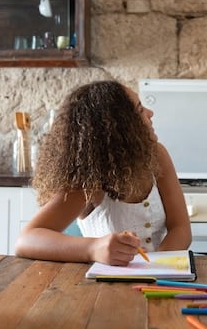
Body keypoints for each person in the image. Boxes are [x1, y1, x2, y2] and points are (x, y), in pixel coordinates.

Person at [15, 80, 192, 266]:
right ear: (120, 126)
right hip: (105, 289)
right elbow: (26, 240)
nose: (150, 113)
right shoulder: (90, 179)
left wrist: (157, 264)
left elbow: (180, 228)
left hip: (160, 281)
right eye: (140, 110)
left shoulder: (157, 155)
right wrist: (92, 249)